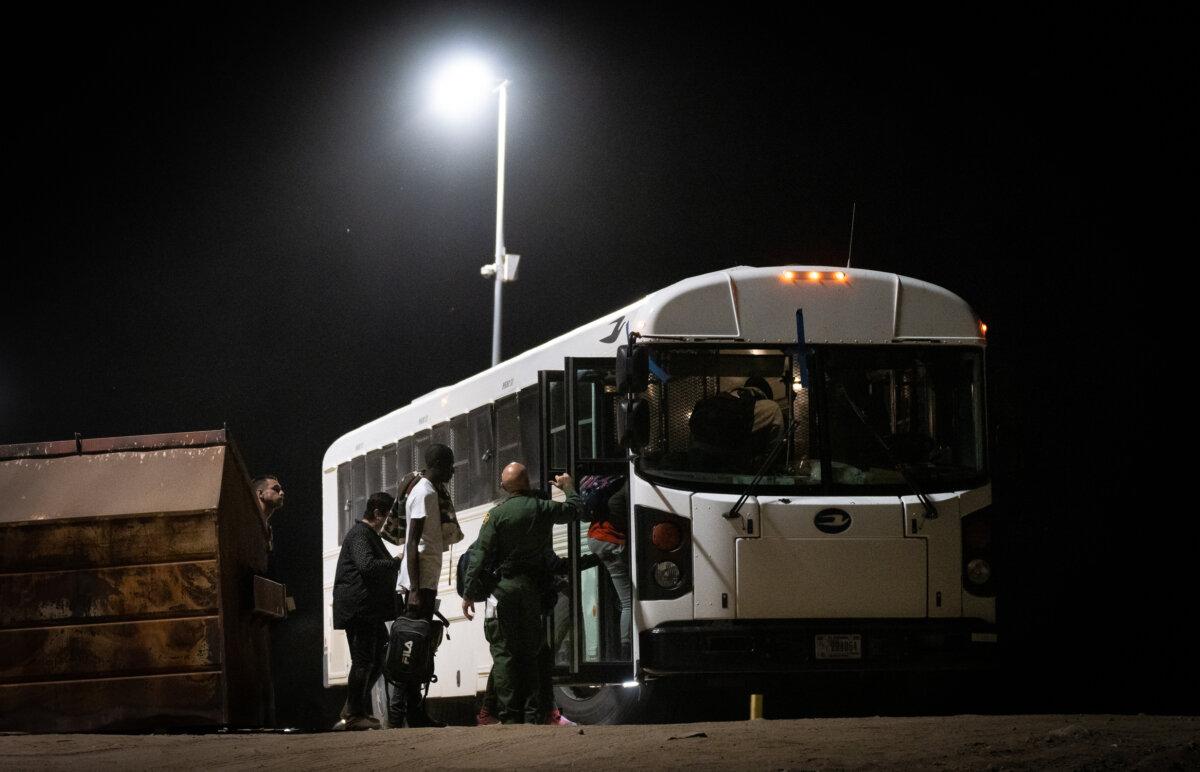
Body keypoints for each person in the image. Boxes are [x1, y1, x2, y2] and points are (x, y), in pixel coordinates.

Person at [461, 462, 581, 724]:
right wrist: (568, 487)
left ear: (505, 487)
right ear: (527, 483)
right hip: (531, 591)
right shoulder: (541, 508)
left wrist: (469, 593)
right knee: (531, 651)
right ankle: (532, 712)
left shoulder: (496, 515)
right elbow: (574, 510)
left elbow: (479, 556)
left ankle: (509, 715)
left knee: (504, 652)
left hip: (501, 592)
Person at [388, 443, 463, 728]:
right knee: (411, 647)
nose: (453, 470)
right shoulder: (424, 492)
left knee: (417, 649)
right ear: (440, 465)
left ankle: (414, 712)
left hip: (422, 580)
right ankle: (402, 716)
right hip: (417, 584)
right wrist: (416, 590)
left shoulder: (427, 490)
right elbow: (411, 541)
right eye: (450, 465)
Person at [331, 492, 403, 731]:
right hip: (359, 609)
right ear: (377, 514)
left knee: (380, 658)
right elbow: (367, 566)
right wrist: (396, 562)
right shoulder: (361, 534)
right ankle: (354, 715)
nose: (390, 524)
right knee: (363, 661)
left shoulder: (368, 534)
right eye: (388, 517)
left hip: (367, 609)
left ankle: (352, 707)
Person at [586, 479, 632, 660]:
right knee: (629, 601)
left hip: (595, 538)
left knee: (624, 597)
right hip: (610, 541)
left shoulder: (611, 487)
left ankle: (624, 645)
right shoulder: (626, 487)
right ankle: (627, 648)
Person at [252, 474, 285, 553]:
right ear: (260, 494)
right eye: (276, 489)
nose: (282, 493)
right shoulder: (244, 520)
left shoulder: (267, 530)